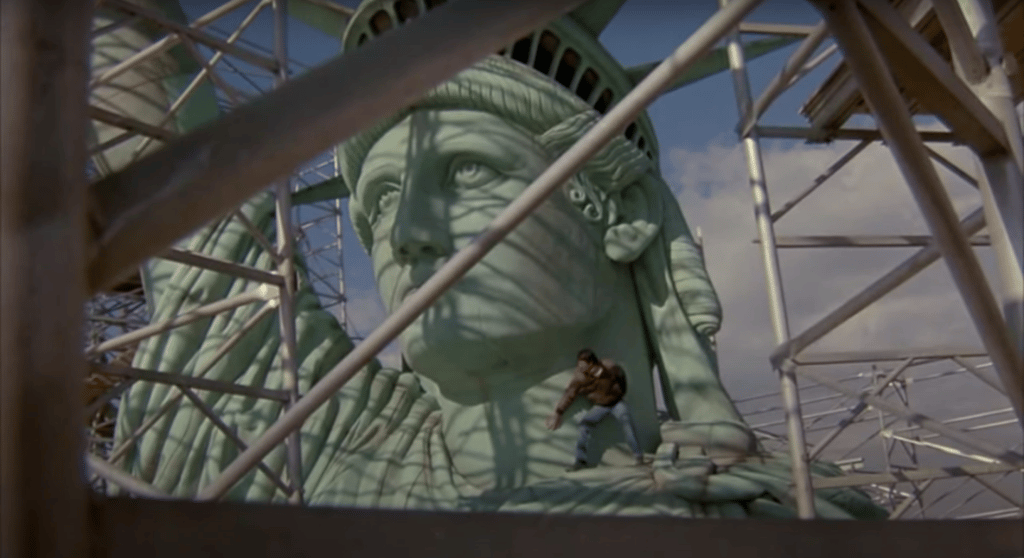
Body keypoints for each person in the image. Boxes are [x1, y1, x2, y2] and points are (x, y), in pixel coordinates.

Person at [107, 0, 885, 519]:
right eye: (377, 201)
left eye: (468, 171)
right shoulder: (320, 453)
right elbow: (192, 213)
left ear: (625, 216)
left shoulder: (789, 516)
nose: (404, 232)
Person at [547, 349, 645, 471]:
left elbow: (621, 377)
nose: (580, 368)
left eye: (583, 365)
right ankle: (580, 461)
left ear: (592, 363)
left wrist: (620, 393)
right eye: (579, 365)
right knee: (584, 425)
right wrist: (558, 412)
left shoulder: (609, 367)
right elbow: (570, 394)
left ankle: (638, 456)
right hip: (600, 406)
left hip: (616, 402)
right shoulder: (580, 377)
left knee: (626, 421)